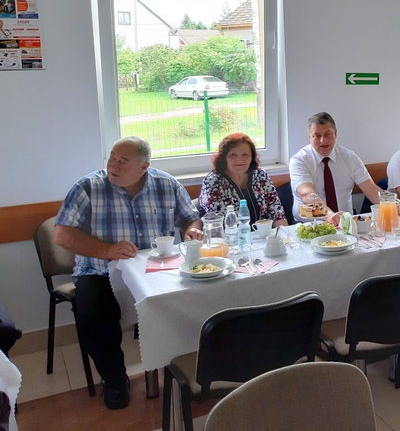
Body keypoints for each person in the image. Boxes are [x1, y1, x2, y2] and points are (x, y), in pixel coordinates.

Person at [53, 137, 201, 410]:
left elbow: (190, 217)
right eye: (112, 157)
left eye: (123, 161)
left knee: (195, 293)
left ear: (144, 167)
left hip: (156, 268)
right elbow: (62, 235)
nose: (114, 165)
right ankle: (115, 380)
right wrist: (107, 250)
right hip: (100, 271)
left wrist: (193, 230)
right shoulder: (88, 187)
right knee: (93, 312)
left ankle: (188, 367)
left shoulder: (166, 184)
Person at [289, 112, 382, 224]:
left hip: (346, 223)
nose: (323, 140)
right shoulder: (299, 160)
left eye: (327, 134)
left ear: (335, 134)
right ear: (309, 137)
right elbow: (307, 194)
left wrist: (391, 204)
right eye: (317, 136)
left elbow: (371, 189)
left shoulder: (350, 157)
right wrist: (329, 215)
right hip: (310, 225)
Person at [198, 132, 287, 227]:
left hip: (264, 234)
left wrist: (283, 233)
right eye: (233, 155)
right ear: (224, 158)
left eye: (245, 155)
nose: (239, 160)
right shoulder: (213, 182)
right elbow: (217, 224)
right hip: (230, 235)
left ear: (252, 157)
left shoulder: (260, 175)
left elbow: (277, 213)